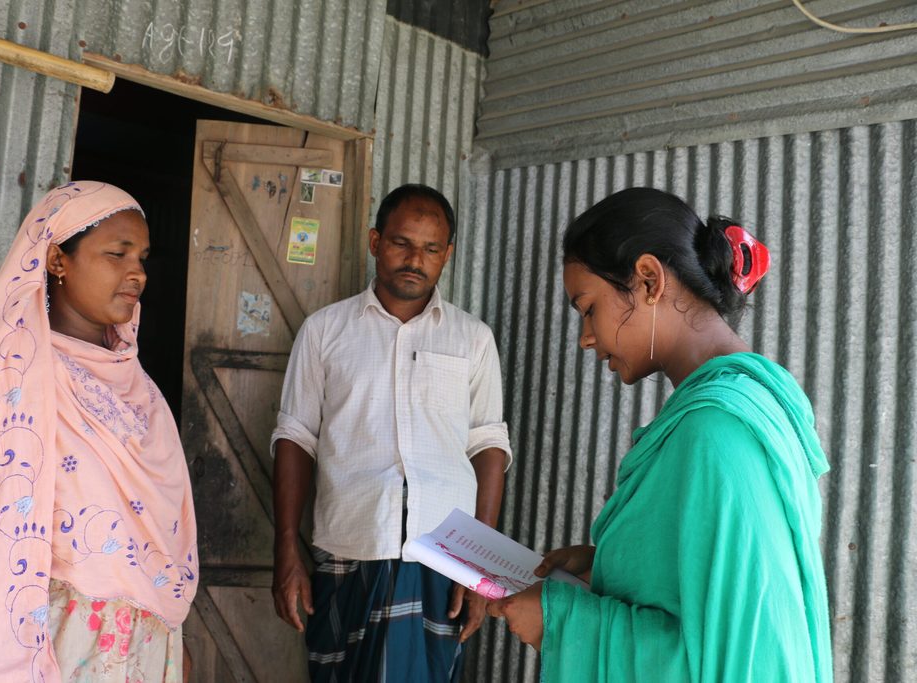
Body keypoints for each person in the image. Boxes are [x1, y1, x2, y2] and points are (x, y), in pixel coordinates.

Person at [488, 187, 832, 681]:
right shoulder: (727, 410)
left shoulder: (718, 433)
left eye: (588, 308)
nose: (586, 337)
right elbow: (706, 590)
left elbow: (744, 662)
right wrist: (609, 567)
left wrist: (563, 622)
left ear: (649, 280)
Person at [0, 182, 198, 682]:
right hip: (46, 641)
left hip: (143, 646)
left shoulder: (140, 391)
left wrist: (168, 635)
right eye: (117, 254)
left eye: (142, 256)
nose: (137, 272)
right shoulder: (2, 378)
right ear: (57, 260)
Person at [270, 184, 513, 682]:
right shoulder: (325, 331)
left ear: (447, 255)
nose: (414, 260)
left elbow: (488, 445)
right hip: (347, 545)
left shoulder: (472, 338)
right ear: (375, 241)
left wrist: (480, 564)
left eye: (430, 249)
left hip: (445, 556)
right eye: (402, 243)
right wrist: (286, 546)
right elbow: (295, 438)